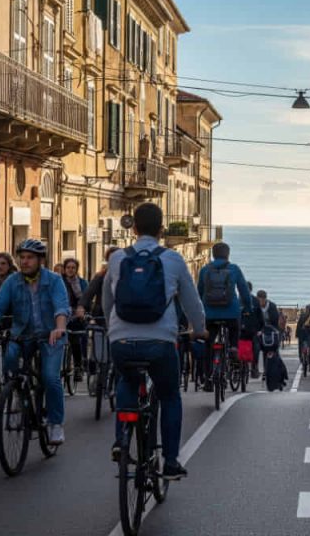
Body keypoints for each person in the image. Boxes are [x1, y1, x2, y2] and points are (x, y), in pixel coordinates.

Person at [103, 203, 205, 480]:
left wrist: (112, 329)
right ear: (162, 230)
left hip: (121, 341)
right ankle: (170, 460)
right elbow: (192, 302)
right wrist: (200, 329)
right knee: (170, 395)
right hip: (160, 342)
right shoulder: (173, 260)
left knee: (127, 380)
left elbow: (107, 301)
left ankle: (121, 442)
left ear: (133, 228)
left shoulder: (117, 259)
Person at [0, 239, 70, 445]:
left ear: (40, 260)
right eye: (22, 257)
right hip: (23, 334)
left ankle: (56, 424)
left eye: (30, 258)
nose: (25, 262)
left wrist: (60, 327)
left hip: (50, 335)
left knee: (50, 377)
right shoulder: (13, 281)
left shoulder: (54, 280)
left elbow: (61, 307)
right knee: (10, 358)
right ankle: (18, 395)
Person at [196, 242, 251, 392]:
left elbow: (199, 292)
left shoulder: (205, 270)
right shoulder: (234, 269)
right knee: (234, 328)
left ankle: (208, 380)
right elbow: (244, 291)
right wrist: (248, 307)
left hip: (209, 314)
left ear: (213, 255)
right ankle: (233, 349)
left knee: (208, 345)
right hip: (231, 312)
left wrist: (200, 311)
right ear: (228, 254)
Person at [62, 257, 89, 382]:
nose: (70, 270)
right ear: (64, 269)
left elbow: (87, 299)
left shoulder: (83, 283)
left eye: (73, 268)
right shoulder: (59, 282)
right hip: (62, 314)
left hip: (77, 315)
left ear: (76, 269)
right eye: (68, 267)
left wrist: (82, 310)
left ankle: (78, 367)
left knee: (74, 340)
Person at [240, 282, 264, 378]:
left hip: (241, 330)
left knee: (235, 346)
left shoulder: (237, 300)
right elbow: (260, 317)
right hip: (252, 330)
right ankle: (254, 367)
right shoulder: (255, 301)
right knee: (256, 347)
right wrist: (261, 329)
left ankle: (235, 369)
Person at [255, 289, 280, 377]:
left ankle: (274, 368)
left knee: (273, 348)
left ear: (265, 299)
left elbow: (275, 321)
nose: (260, 302)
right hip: (259, 331)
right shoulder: (255, 306)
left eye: (262, 300)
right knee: (257, 348)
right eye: (258, 300)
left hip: (270, 330)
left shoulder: (272, 306)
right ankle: (256, 368)